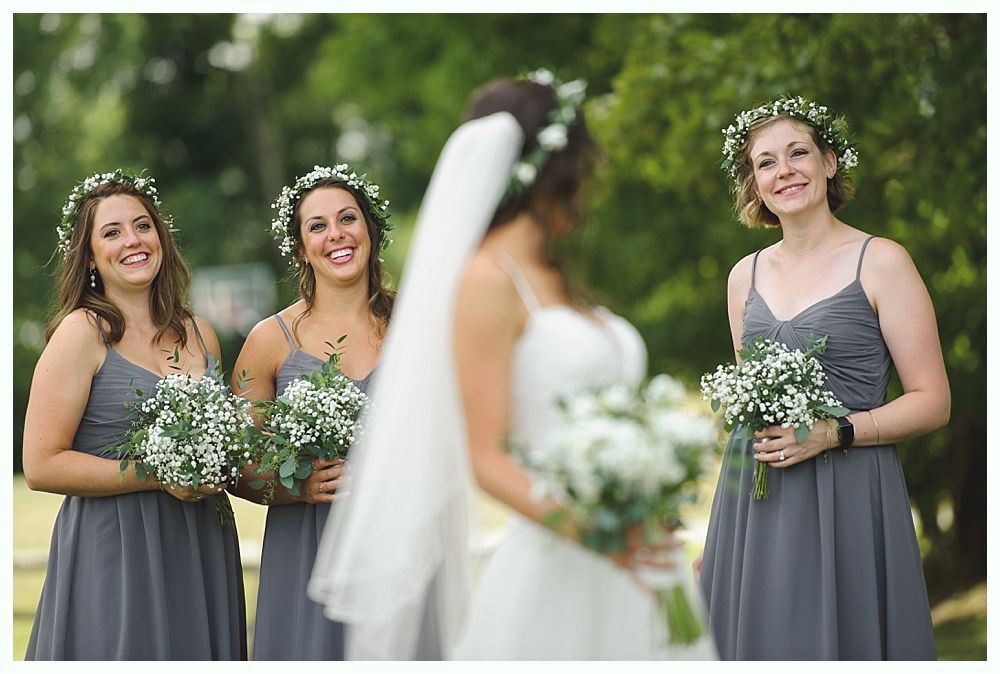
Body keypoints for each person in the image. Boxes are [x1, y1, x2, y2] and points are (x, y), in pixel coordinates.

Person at [308, 70, 716, 660]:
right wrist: (605, 537)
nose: (589, 184)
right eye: (583, 165)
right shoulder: (485, 281)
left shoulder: (558, 276)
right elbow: (486, 458)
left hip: (641, 556)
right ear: (555, 170)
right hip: (566, 557)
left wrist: (644, 496)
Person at [695, 96, 950, 660]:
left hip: (851, 493)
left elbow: (933, 401)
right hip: (757, 505)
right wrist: (720, 540)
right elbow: (748, 411)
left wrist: (835, 432)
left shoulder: (881, 261)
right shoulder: (745, 276)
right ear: (754, 183)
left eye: (798, 153)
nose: (784, 171)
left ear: (830, 162)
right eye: (766, 162)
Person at [22, 169, 247, 660]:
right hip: (116, 548)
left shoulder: (199, 334)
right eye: (112, 232)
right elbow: (41, 465)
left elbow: (225, 445)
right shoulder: (81, 333)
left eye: (143, 225)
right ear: (90, 257)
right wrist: (156, 475)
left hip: (200, 540)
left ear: (161, 237)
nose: (133, 240)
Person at [229, 164, 394, 659]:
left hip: (398, 536)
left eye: (347, 218)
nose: (336, 235)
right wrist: (291, 486)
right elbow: (234, 463)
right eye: (317, 226)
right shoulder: (268, 341)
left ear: (370, 229)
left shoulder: (420, 323)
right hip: (307, 548)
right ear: (300, 247)